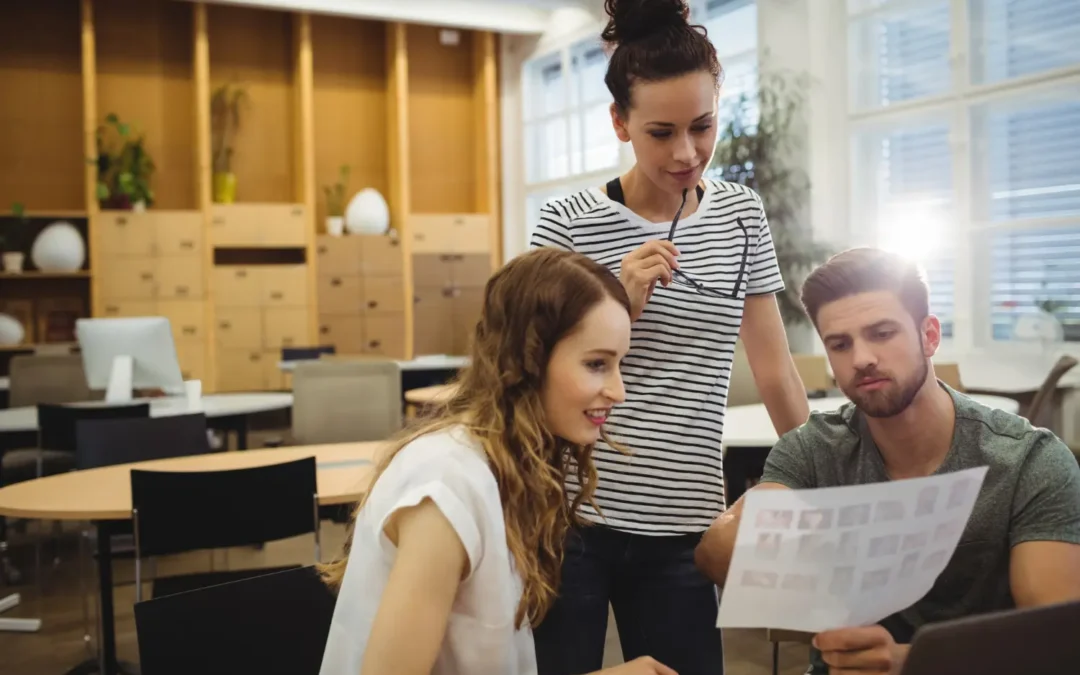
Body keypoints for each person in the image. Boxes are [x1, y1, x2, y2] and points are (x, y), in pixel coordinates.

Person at [529, 1, 810, 672]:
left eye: (703, 126)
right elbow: (524, 368)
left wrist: (826, 481)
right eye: (660, 132)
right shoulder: (567, 221)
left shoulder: (741, 214)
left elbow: (774, 371)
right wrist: (614, 303)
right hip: (572, 517)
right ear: (620, 122)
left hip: (687, 519)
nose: (686, 153)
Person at [694, 247, 1080, 675]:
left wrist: (909, 660)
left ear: (929, 335)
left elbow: (1055, 642)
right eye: (840, 344)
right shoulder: (812, 449)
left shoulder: (1028, 461)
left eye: (881, 333)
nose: (861, 359)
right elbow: (717, 550)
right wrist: (772, 542)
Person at [317, 248, 676, 675]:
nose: (618, 391)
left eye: (619, 365)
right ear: (529, 360)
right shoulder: (446, 486)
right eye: (597, 364)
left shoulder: (503, 467)